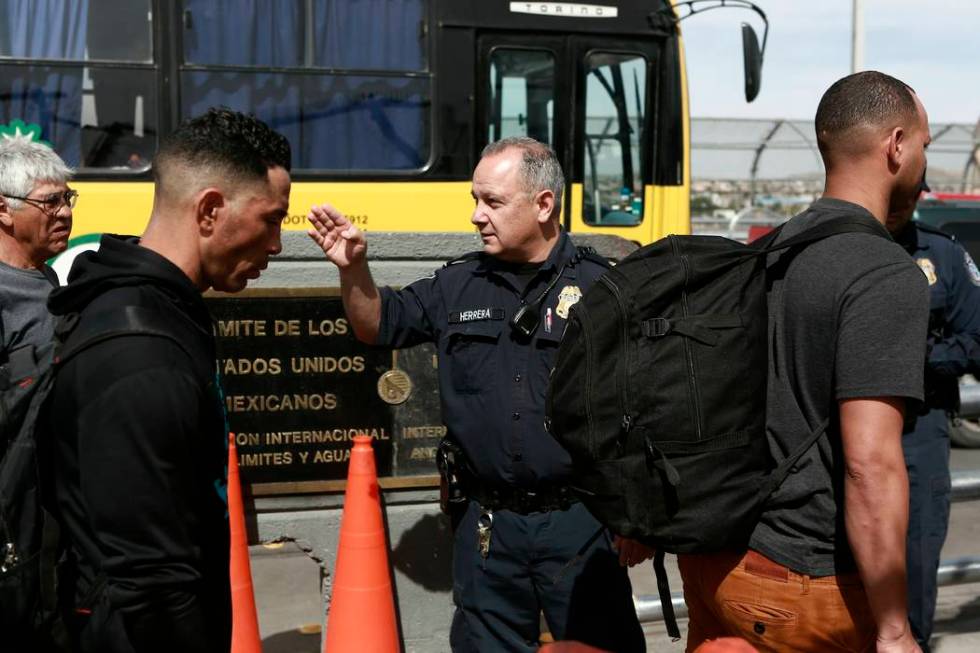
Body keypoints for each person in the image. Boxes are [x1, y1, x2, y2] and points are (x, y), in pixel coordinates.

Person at [308, 136, 648, 652]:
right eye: (475, 199)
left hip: (580, 522)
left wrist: (638, 514)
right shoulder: (458, 285)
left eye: (492, 201)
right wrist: (352, 267)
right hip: (489, 529)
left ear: (543, 204)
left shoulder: (605, 289)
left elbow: (641, 404)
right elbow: (377, 325)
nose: (476, 215)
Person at [678, 71, 931, 653]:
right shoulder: (884, 273)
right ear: (895, 146)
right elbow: (871, 464)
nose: (922, 155)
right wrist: (894, 628)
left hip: (720, 562)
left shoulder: (764, 250)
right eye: (922, 142)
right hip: (806, 585)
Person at [47, 108, 291, 653]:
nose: (275, 244)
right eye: (271, 219)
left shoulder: (162, 311)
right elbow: (151, 581)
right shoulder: (140, 351)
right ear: (209, 209)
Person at [886, 174, 980, 651]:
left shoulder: (941, 256)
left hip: (921, 427)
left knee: (917, 556)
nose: (901, 204)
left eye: (911, 194)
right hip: (839, 434)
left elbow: (978, 339)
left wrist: (919, 361)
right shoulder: (838, 252)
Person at [0, 138, 73, 356]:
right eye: (50, 202)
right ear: (3, 210)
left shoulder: (44, 273)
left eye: (67, 198)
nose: (66, 212)